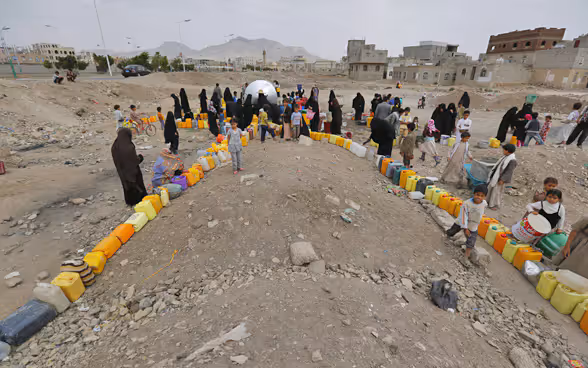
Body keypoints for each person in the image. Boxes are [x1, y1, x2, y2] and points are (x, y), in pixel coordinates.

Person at [446, 184, 488, 266]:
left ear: (485, 197)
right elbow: (463, 216)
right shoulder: (467, 204)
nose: (479, 197)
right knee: (452, 231)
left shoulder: (484, 204)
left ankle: (465, 257)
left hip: (473, 226)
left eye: (482, 196)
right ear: (474, 194)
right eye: (477, 194)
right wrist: (465, 228)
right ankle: (447, 236)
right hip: (461, 222)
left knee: (471, 242)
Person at [111, 128, 147, 206]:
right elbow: (135, 160)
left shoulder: (115, 146)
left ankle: (130, 201)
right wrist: (140, 157)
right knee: (137, 184)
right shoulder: (129, 146)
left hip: (122, 171)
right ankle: (140, 199)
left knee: (126, 185)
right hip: (132, 171)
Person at [486, 143, 517, 210]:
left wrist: (502, 179)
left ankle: (493, 204)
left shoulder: (512, 160)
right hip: (496, 177)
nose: (503, 151)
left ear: (507, 151)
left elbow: (509, 171)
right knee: (491, 190)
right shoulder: (505, 157)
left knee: (496, 192)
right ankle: (488, 202)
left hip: (500, 179)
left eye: (504, 150)